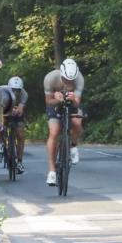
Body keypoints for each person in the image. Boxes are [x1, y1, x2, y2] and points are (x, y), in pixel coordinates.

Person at [43, 57, 84, 186]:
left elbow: (77, 103)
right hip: (55, 104)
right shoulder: (50, 78)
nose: (68, 82)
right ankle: (51, 171)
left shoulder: (80, 79)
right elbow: (48, 101)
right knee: (54, 132)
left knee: (77, 124)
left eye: (71, 80)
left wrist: (73, 99)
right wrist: (57, 99)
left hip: (71, 104)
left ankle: (72, 145)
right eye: (66, 79)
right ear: (61, 74)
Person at [0, 76, 28, 173]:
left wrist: (18, 110)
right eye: (13, 90)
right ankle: (1, 144)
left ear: (21, 90)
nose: (15, 92)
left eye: (17, 90)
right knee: (1, 127)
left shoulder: (24, 94)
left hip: (15, 112)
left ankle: (19, 162)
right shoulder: (2, 91)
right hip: (3, 110)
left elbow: (21, 108)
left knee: (20, 135)